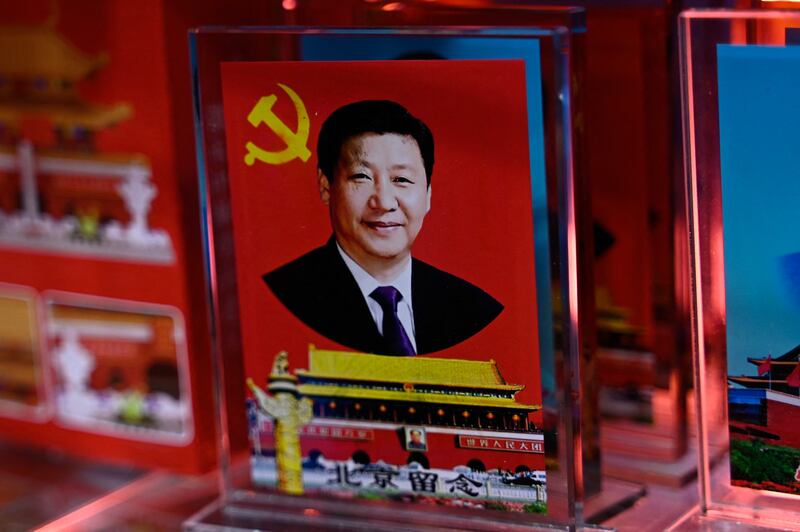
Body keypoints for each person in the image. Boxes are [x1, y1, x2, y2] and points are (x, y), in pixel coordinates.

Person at [263, 100, 502, 356]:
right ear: (326, 187)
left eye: (401, 179)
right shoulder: (280, 299)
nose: (384, 202)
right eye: (361, 177)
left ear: (428, 195)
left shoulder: (473, 309)